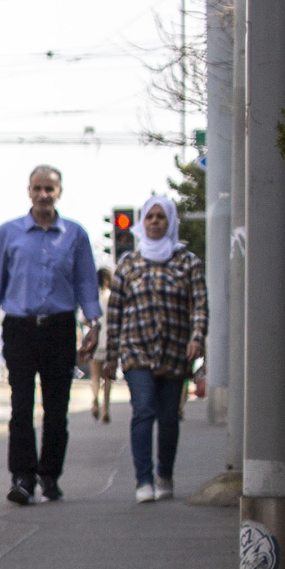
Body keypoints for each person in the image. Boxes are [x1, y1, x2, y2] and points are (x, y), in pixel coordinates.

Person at [0, 165, 100, 505]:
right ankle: (22, 477)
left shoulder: (75, 235)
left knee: (57, 409)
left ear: (59, 192)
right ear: (28, 191)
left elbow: (87, 283)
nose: (43, 195)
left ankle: (50, 475)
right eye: (37, 188)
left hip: (60, 327)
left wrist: (93, 325)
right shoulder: (8, 233)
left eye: (50, 189)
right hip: (19, 327)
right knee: (21, 407)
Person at [100, 193, 207, 503]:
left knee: (169, 417)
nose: (155, 222)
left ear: (170, 221)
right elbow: (115, 312)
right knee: (143, 409)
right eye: (150, 217)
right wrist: (111, 356)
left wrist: (197, 337)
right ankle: (143, 479)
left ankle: (165, 474)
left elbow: (199, 305)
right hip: (137, 351)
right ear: (142, 223)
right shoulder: (128, 264)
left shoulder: (188, 262)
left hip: (175, 351)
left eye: (161, 217)